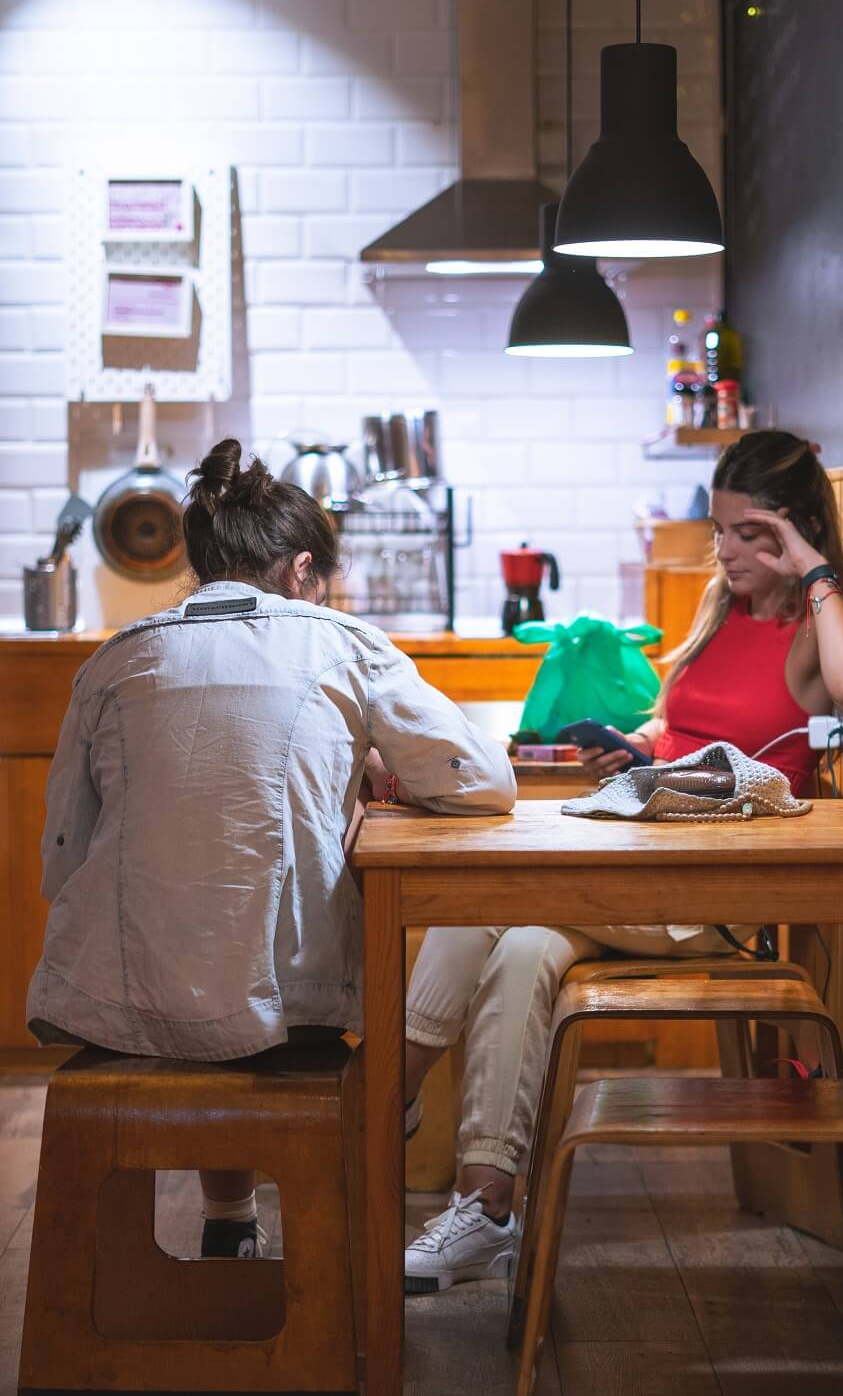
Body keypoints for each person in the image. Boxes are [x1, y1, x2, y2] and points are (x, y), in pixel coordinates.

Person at [401, 429, 843, 1293]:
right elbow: (679, 723)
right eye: (720, 530)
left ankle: (382, 1094)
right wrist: (638, 749)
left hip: (711, 900)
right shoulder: (721, 608)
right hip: (636, 863)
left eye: (749, 532)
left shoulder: (810, 631)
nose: (726, 550)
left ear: (794, 527)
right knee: (519, 947)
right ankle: (487, 1207)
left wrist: (810, 563)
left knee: (488, 892)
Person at [27, 439, 516, 1258]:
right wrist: (379, 766)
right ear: (300, 570)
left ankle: (230, 1227)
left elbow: (61, 854)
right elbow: (483, 780)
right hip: (291, 1009)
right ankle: (318, 1248)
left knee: (202, 952)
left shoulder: (116, 657)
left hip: (111, 1004)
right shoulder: (344, 644)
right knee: (250, 977)